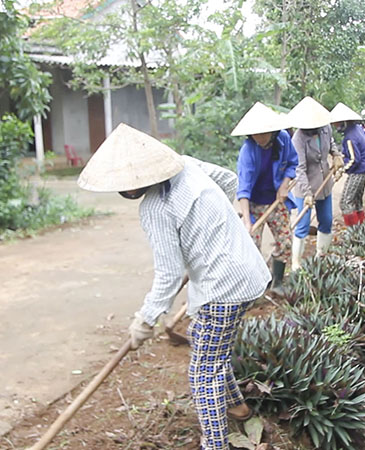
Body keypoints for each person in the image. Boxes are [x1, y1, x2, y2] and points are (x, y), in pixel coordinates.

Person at [76, 123, 270, 450]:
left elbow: (168, 274)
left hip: (222, 291)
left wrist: (146, 319)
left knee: (202, 377)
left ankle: (216, 445)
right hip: (248, 274)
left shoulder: (155, 207)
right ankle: (239, 406)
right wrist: (217, 223)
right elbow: (229, 181)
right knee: (209, 345)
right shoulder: (187, 163)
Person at [232, 102, 298, 290]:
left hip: (277, 200)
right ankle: (254, 287)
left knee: (285, 242)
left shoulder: (283, 139)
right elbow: (243, 188)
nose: (259, 137)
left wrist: (284, 185)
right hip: (253, 204)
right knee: (251, 246)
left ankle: (277, 281)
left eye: (263, 133)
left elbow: (293, 163)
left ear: (273, 131)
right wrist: (247, 220)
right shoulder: (248, 151)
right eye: (255, 133)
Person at [287, 96, 344, 271]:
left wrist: (336, 155)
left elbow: (332, 144)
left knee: (326, 220)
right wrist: (307, 194)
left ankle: (321, 256)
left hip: (324, 184)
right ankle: (296, 263)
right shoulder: (298, 138)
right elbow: (299, 168)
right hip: (305, 187)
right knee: (302, 225)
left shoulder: (325, 129)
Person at [331, 102, 365, 226]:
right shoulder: (358, 128)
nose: (335, 126)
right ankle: (362, 227)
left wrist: (342, 170)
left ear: (344, 122)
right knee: (357, 202)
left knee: (345, 202)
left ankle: (353, 232)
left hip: (359, 172)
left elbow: (354, 160)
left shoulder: (349, 137)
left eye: (337, 123)